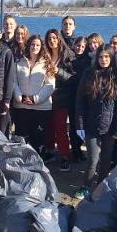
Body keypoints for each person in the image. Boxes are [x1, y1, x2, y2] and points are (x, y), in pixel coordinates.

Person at [74, 46, 117, 199]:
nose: (103, 60)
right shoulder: (88, 74)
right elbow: (80, 102)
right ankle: (86, 186)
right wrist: (80, 125)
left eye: (107, 57)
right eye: (101, 57)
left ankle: (101, 185)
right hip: (91, 125)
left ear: (111, 59)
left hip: (109, 127)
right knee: (93, 159)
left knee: (106, 159)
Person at [12, 35, 56, 153]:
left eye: (37, 45)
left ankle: (37, 167)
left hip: (41, 108)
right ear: (28, 46)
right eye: (32, 44)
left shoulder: (47, 64)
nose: (34, 47)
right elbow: (14, 81)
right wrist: (20, 97)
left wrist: (34, 99)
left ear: (41, 47)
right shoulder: (19, 62)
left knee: (38, 140)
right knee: (21, 140)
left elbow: (50, 85)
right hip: (21, 107)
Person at [43, 29, 74, 170]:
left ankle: (64, 156)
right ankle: (50, 152)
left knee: (61, 128)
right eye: (49, 39)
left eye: (55, 38)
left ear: (59, 39)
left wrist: (59, 72)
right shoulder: (44, 56)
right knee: (47, 126)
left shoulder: (68, 56)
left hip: (61, 98)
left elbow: (73, 79)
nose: (52, 41)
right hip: (45, 97)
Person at [69, 36, 92, 162]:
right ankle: (75, 150)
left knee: (83, 125)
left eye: (83, 46)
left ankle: (80, 149)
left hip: (85, 96)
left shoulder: (88, 60)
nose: (80, 48)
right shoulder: (69, 59)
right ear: (74, 45)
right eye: (78, 45)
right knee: (74, 125)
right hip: (72, 96)